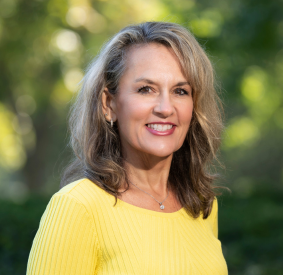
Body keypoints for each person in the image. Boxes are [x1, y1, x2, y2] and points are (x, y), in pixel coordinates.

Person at [26, 21, 228, 274]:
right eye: (146, 89)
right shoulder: (78, 206)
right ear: (109, 104)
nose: (166, 108)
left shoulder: (201, 205)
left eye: (180, 91)